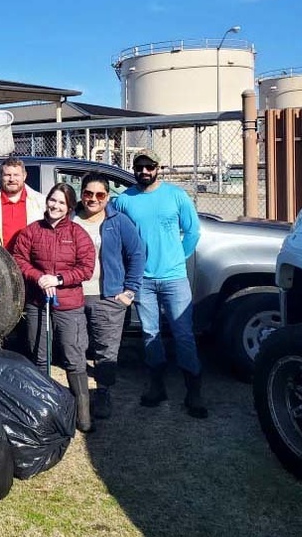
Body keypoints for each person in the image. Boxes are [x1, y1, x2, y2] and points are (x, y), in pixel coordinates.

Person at [113, 149, 206, 418]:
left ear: (158, 168)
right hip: (142, 279)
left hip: (174, 278)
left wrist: (178, 256)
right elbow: (115, 232)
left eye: (149, 166)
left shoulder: (176, 196)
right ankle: (156, 386)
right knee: (150, 333)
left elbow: (193, 231)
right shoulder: (124, 200)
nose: (144, 171)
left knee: (184, 334)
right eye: (139, 167)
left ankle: (193, 391)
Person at [12, 183, 97, 432]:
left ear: (69, 207)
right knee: (39, 355)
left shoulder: (78, 234)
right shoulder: (31, 231)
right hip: (39, 303)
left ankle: (83, 415)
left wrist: (59, 279)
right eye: (52, 200)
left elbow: (86, 267)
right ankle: (44, 412)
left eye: (61, 203)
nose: (55, 206)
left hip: (69, 305)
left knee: (73, 357)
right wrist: (38, 277)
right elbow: (19, 259)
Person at [74, 173, 144, 420]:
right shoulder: (70, 219)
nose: (93, 199)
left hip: (109, 297)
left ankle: (103, 393)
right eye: (88, 193)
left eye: (99, 195)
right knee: (76, 347)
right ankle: (79, 396)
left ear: (107, 197)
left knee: (106, 350)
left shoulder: (119, 221)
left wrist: (129, 291)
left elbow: (137, 254)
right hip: (74, 296)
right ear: (81, 193)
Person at [0, 157, 46, 252]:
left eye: (16, 175)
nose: (12, 179)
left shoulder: (41, 202)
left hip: (28, 262)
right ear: (0, 176)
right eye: (7, 175)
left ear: (24, 176)